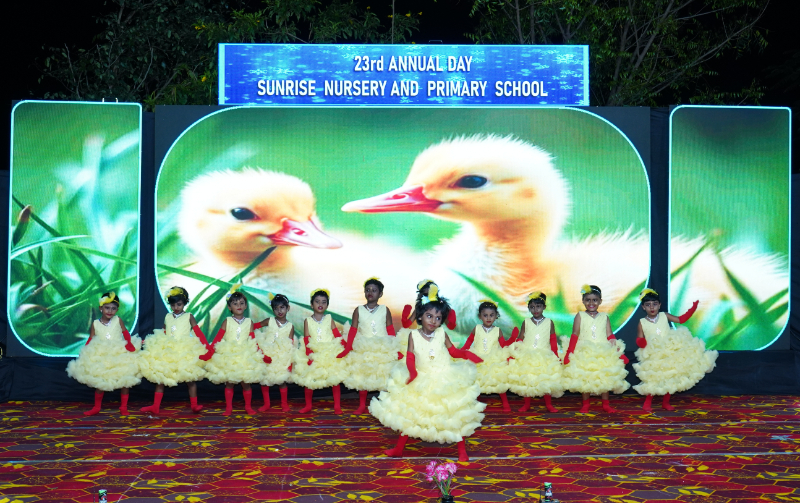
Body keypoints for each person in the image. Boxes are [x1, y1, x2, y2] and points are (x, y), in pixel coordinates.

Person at [370, 289, 485, 462]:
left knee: (454, 414)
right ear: (420, 316)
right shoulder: (413, 335)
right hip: (421, 378)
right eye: (429, 316)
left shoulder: (442, 334)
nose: (433, 321)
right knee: (411, 414)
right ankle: (399, 448)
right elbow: (410, 356)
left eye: (438, 318)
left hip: (445, 378)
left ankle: (461, 450)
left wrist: (467, 354)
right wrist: (412, 372)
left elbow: (453, 351)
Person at [633, 288, 716, 412]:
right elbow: (639, 337)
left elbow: (681, 320)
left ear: (659, 305)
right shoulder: (642, 322)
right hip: (654, 353)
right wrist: (641, 342)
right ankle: (648, 402)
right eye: (648, 305)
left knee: (671, 376)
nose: (652, 307)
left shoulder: (664, 315)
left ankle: (666, 402)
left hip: (669, 349)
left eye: (655, 304)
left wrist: (692, 309)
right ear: (643, 307)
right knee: (653, 377)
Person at [66, 292, 141, 416]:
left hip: (118, 351)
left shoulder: (118, 320)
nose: (110, 311)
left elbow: (125, 332)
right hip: (101, 353)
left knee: (125, 380)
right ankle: (96, 407)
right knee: (100, 381)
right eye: (107, 308)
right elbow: (91, 338)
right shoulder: (95, 323)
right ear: (101, 308)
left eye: (113, 308)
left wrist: (128, 342)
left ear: (117, 310)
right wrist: (85, 350)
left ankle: (123, 407)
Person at [139, 287, 208, 414]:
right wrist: (153, 340)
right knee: (161, 377)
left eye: (179, 304)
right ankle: (155, 406)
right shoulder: (168, 316)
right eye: (173, 305)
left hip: (184, 349)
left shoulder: (188, 316)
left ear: (185, 302)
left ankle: (194, 405)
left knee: (190, 378)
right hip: (168, 349)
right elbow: (164, 331)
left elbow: (198, 332)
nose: (176, 307)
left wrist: (206, 346)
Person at [562, 285, 629, 413]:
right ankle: (586, 404)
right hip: (585, 351)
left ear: (600, 301)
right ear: (583, 301)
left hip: (603, 352)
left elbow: (610, 335)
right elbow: (575, 334)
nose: (591, 303)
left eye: (595, 300)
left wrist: (619, 353)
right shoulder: (580, 315)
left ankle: (606, 404)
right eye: (588, 300)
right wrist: (569, 352)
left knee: (605, 377)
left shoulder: (604, 317)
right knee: (585, 378)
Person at [201, 291, 268, 416]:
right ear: (229, 307)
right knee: (229, 383)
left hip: (245, 354)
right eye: (235, 303)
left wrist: (262, 354)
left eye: (242, 303)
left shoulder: (249, 322)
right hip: (229, 354)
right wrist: (209, 353)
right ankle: (228, 408)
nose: (239, 306)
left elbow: (253, 340)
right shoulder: (227, 321)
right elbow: (217, 339)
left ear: (246, 306)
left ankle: (248, 406)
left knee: (246, 383)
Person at [337, 278, 398, 415]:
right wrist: (348, 346)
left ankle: (384, 404)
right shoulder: (358, 310)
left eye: (374, 290)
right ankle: (362, 405)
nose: (370, 292)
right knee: (363, 375)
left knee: (383, 374)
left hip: (382, 347)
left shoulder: (384, 309)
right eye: (368, 290)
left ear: (380, 294)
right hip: (364, 347)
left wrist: (395, 347)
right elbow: (353, 329)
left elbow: (390, 328)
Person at [291, 289, 348, 414]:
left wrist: (345, 345)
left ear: (327, 305)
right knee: (309, 379)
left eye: (323, 302)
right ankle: (308, 405)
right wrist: (309, 354)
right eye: (317, 301)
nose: (320, 304)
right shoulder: (307, 321)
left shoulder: (329, 318)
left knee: (334, 379)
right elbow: (306, 338)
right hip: (314, 351)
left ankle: (337, 406)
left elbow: (336, 333)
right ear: (312, 305)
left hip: (329, 350)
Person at [507, 292, 563, 413]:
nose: (535, 309)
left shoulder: (549, 322)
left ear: (544, 307)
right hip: (527, 354)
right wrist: (515, 350)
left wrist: (555, 354)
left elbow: (553, 339)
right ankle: (526, 404)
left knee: (546, 379)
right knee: (527, 379)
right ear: (528, 308)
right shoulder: (526, 322)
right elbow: (521, 337)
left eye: (538, 306)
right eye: (532, 307)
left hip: (544, 355)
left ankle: (549, 404)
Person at [460, 299, 516, 412]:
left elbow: (503, 344)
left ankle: (505, 402)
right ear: (480, 316)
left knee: (498, 380)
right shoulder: (476, 329)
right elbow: (469, 341)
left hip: (493, 358)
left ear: (496, 316)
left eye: (491, 315)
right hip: (478, 358)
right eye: (485, 315)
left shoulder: (498, 330)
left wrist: (512, 338)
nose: (488, 318)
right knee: (477, 381)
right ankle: (476, 402)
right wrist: (463, 351)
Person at [252, 294, 295, 413]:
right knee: (265, 380)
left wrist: (290, 363)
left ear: (288, 308)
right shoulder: (269, 321)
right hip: (267, 353)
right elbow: (254, 326)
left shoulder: (290, 326)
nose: (279, 311)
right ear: (272, 310)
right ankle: (266, 404)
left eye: (282, 307)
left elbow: (290, 344)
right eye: (276, 308)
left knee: (282, 381)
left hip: (281, 355)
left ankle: (284, 404)